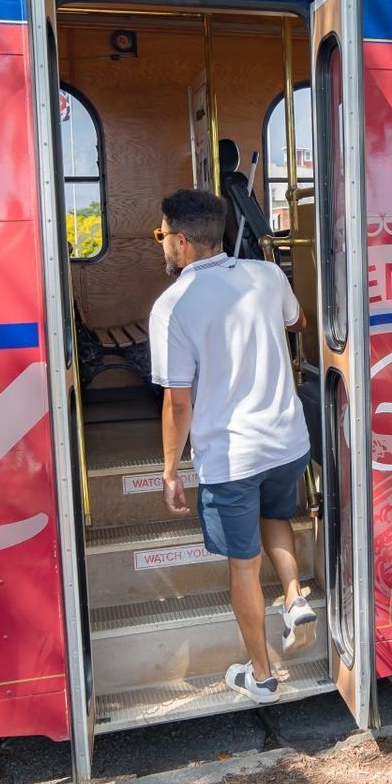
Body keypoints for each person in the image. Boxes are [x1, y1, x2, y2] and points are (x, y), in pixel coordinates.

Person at [149, 189, 316, 705]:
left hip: (231, 456)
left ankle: (262, 677)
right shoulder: (265, 275)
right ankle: (293, 597)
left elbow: (178, 404)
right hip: (288, 441)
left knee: (242, 566)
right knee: (276, 516)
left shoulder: (173, 304)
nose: (162, 247)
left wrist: (170, 470)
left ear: (179, 240)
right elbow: (299, 323)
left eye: (161, 237)